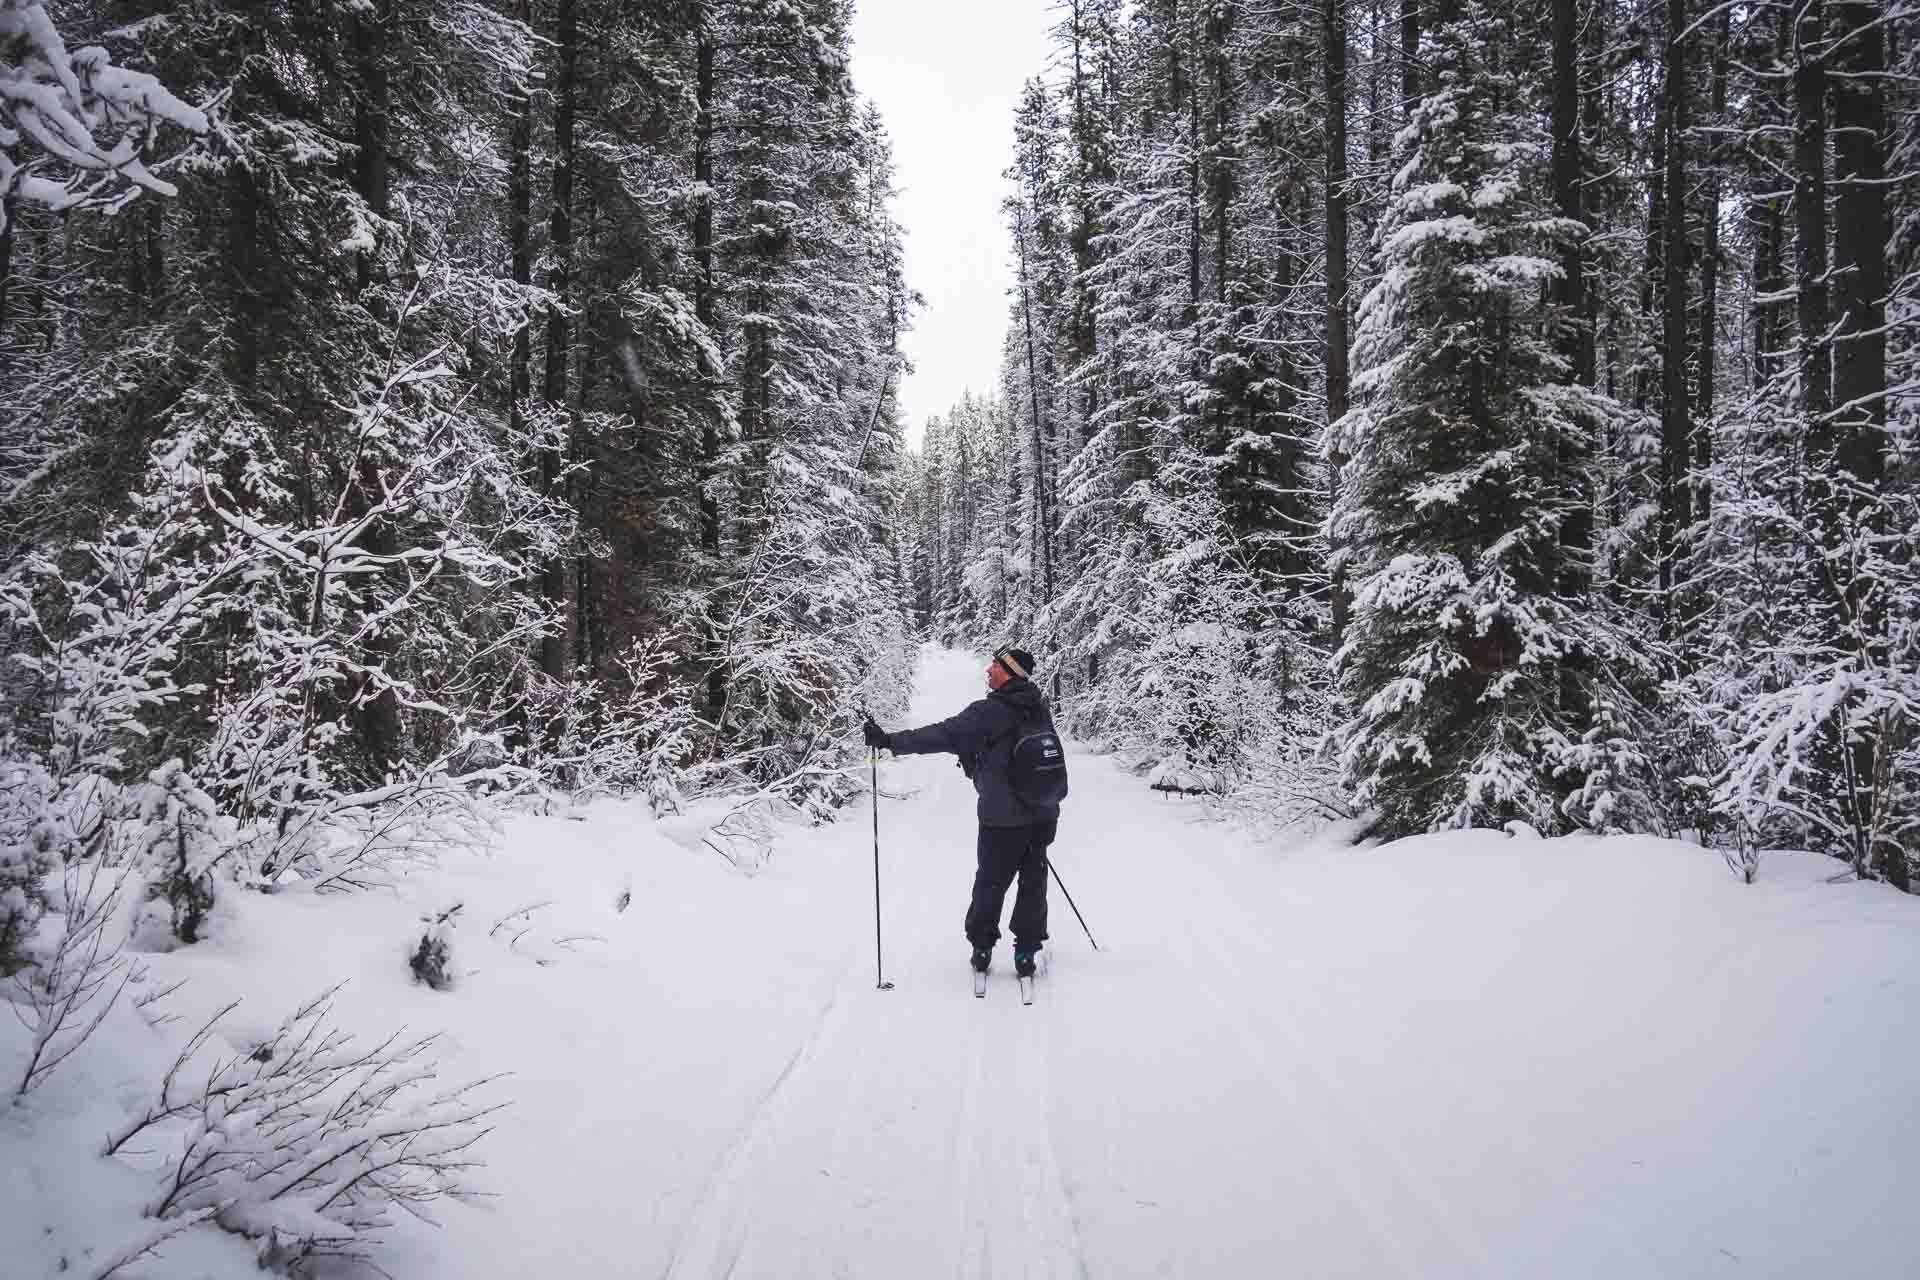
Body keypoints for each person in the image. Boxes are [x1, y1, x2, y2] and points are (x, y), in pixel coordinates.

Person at [863, 647, 1060, 979]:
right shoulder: (1038, 705)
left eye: (996, 666)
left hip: (1002, 817)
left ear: (1010, 672)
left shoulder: (989, 712)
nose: (988, 670)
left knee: (991, 882)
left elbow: (943, 734)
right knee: (1033, 881)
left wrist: (889, 741)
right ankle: (1026, 951)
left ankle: (982, 948)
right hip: (1043, 813)